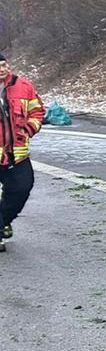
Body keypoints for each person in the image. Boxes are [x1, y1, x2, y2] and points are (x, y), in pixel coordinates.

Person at [0, 53, 44, 246]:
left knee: (22, 189)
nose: (2, 69)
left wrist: (28, 129)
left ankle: (4, 221)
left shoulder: (24, 86)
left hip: (17, 155)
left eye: (4, 65)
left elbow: (37, 111)